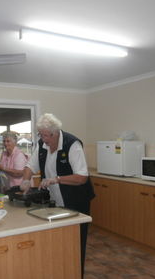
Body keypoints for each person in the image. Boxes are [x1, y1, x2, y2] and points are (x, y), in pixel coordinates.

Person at [21, 113, 95, 276]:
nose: (43, 139)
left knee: (76, 241)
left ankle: (76, 273)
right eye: (41, 134)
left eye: (46, 135)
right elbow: (30, 166)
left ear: (55, 133)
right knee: (59, 239)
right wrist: (26, 180)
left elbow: (82, 177)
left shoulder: (72, 144)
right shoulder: (42, 144)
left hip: (76, 200)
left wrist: (56, 179)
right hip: (55, 201)